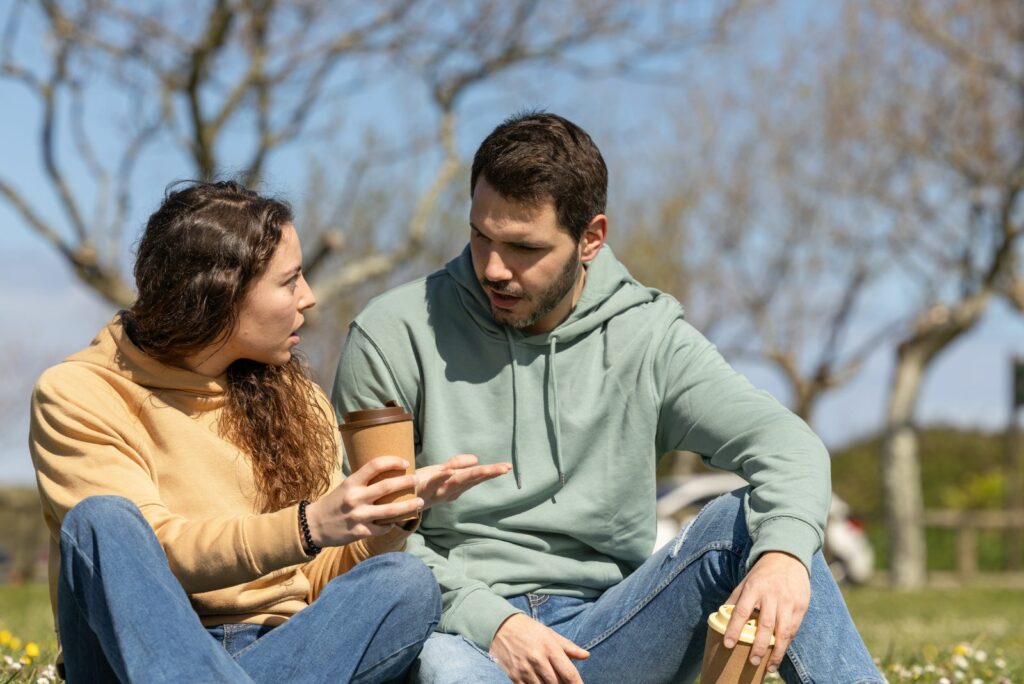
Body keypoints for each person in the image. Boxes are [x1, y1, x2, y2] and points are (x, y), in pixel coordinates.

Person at [333, 112, 884, 683]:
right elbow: (373, 539)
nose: (493, 268)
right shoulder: (392, 334)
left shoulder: (647, 336)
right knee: (448, 673)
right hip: (457, 632)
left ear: (591, 238)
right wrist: (491, 622)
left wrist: (785, 557)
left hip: (608, 632)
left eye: (523, 247)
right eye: (480, 236)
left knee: (766, 533)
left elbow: (788, 446)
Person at [29, 181, 511, 683]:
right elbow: (154, 557)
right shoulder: (78, 393)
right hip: (134, 653)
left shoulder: (293, 396)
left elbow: (319, 579)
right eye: (290, 280)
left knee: (407, 582)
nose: (309, 296)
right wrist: (307, 525)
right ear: (220, 294)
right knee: (100, 521)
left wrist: (388, 518)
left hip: (289, 651)